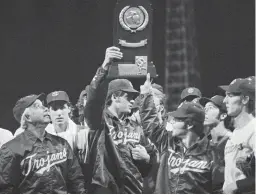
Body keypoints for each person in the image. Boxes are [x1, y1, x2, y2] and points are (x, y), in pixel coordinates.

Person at [81, 46, 158, 193]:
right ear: (115, 97)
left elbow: (148, 167)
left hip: (134, 190)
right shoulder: (99, 123)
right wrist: (104, 67)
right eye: (128, 97)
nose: (132, 101)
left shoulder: (135, 127)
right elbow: (93, 100)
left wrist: (147, 159)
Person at [138, 82, 218, 193]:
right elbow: (150, 124)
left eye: (178, 119)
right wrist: (146, 95)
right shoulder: (167, 142)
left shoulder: (212, 153)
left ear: (189, 124)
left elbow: (218, 189)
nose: (172, 121)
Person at [0, 94, 85, 193]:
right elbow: (5, 189)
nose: (45, 108)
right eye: (37, 106)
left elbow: (76, 180)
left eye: (43, 105)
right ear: (27, 117)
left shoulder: (61, 143)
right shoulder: (11, 149)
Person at [219, 78, 255, 193]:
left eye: (230, 95)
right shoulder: (236, 132)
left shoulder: (253, 129)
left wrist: (236, 186)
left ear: (244, 99)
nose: (225, 101)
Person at [199, 95, 231, 192]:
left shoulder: (231, 140)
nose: (205, 111)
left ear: (223, 115)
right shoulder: (203, 142)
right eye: (204, 108)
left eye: (210, 108)